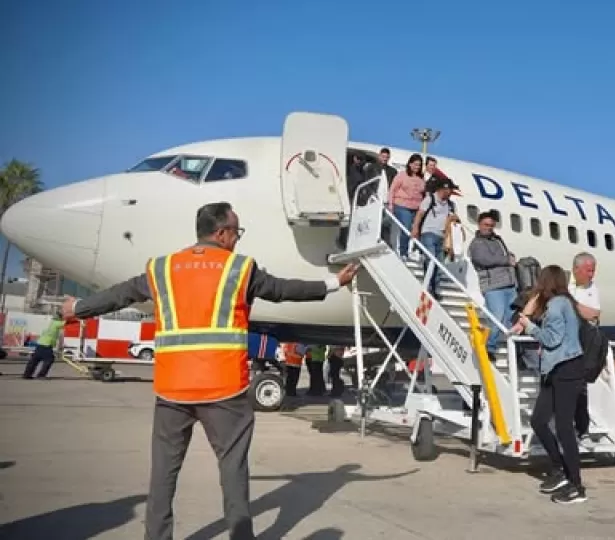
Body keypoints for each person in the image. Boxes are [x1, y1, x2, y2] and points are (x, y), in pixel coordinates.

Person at [61, 202, 360, 540]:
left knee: (163, 474)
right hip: (224, 389)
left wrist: (79, 308)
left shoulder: (162, 268)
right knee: (232, 470)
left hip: (172, 389)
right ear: (221, 233)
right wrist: (333, 283)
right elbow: (282, 290)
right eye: (236, 231)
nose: (237, 238)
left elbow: (121, 295)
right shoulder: (239, 268)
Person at [512, 265, 587, 504]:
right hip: (555, 371)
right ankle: (560, 468)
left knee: (564, 428)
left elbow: (552, 339)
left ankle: (576, 485)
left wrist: (531, 327)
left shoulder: (557, 306)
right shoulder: (564, 302)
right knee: (539, 420)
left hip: (565, 370)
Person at [467, 210, 518, 355]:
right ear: (479, 224)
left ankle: (512, 350)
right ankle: (489, 347)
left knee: (511, 320)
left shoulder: (497, 240)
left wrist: (510, 258)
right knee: (497, 317)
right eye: (486, 224)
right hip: (493, 286)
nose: (488, 228)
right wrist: (506, 260)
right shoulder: (477, 243)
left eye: (491, 225)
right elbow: (483, 260)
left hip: (509, 285)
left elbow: (503, 256)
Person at [568, 252, 601, 444]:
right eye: (589, 271)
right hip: (564, 345)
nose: (591, 275)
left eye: (593, 271)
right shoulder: (565, 283)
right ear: (576, 269)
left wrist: (570, 304)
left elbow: (594, 314)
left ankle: (583, 430)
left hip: (582, 345)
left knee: (581, 389)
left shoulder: (592, 288)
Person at [411, 177, 460, 298]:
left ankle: (434, 288)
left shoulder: (450, 204)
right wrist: (415, 228)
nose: (450, 193)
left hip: (442, 236)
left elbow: (454, 219)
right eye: (448, 190)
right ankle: (428, 286)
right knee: (430, 257)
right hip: (428, 233)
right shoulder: (430, 199)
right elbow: (420, 214)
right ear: (442, 189)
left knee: (438, 263)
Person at [387, 154, 425, 258]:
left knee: (418, 229)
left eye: (419, 165)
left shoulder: (421, 178)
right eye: (416, 164)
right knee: (407, 228)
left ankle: (417, 250)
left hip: (416, 208)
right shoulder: (402, 175)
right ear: (410, 164)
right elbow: (392, 189)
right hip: (402, 205)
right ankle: (403, 251)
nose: (417, 167)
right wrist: (390, 204)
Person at [22, 312, 66, 379]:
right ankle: (41, 375)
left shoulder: (50, 322)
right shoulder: (56, 323)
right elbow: (66, 323)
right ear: (60, 318)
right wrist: (76, 318)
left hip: (40, 344)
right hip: (46, 345)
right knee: (49, 359)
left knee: (34, 360)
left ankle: (27, 374)